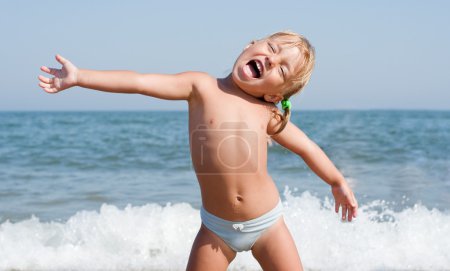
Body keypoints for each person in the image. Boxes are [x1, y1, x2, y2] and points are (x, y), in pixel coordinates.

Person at [38, 30, 358, 271]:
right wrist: (81, 77)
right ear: (250, 45)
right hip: (216, 229)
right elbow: (139, 81)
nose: (271, 60)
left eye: (282, 70)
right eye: (271, 49)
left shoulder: (268, 115)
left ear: (277, 93)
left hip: (268, 225)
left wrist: (336, 182)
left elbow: (307, 148)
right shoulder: (201, 86)